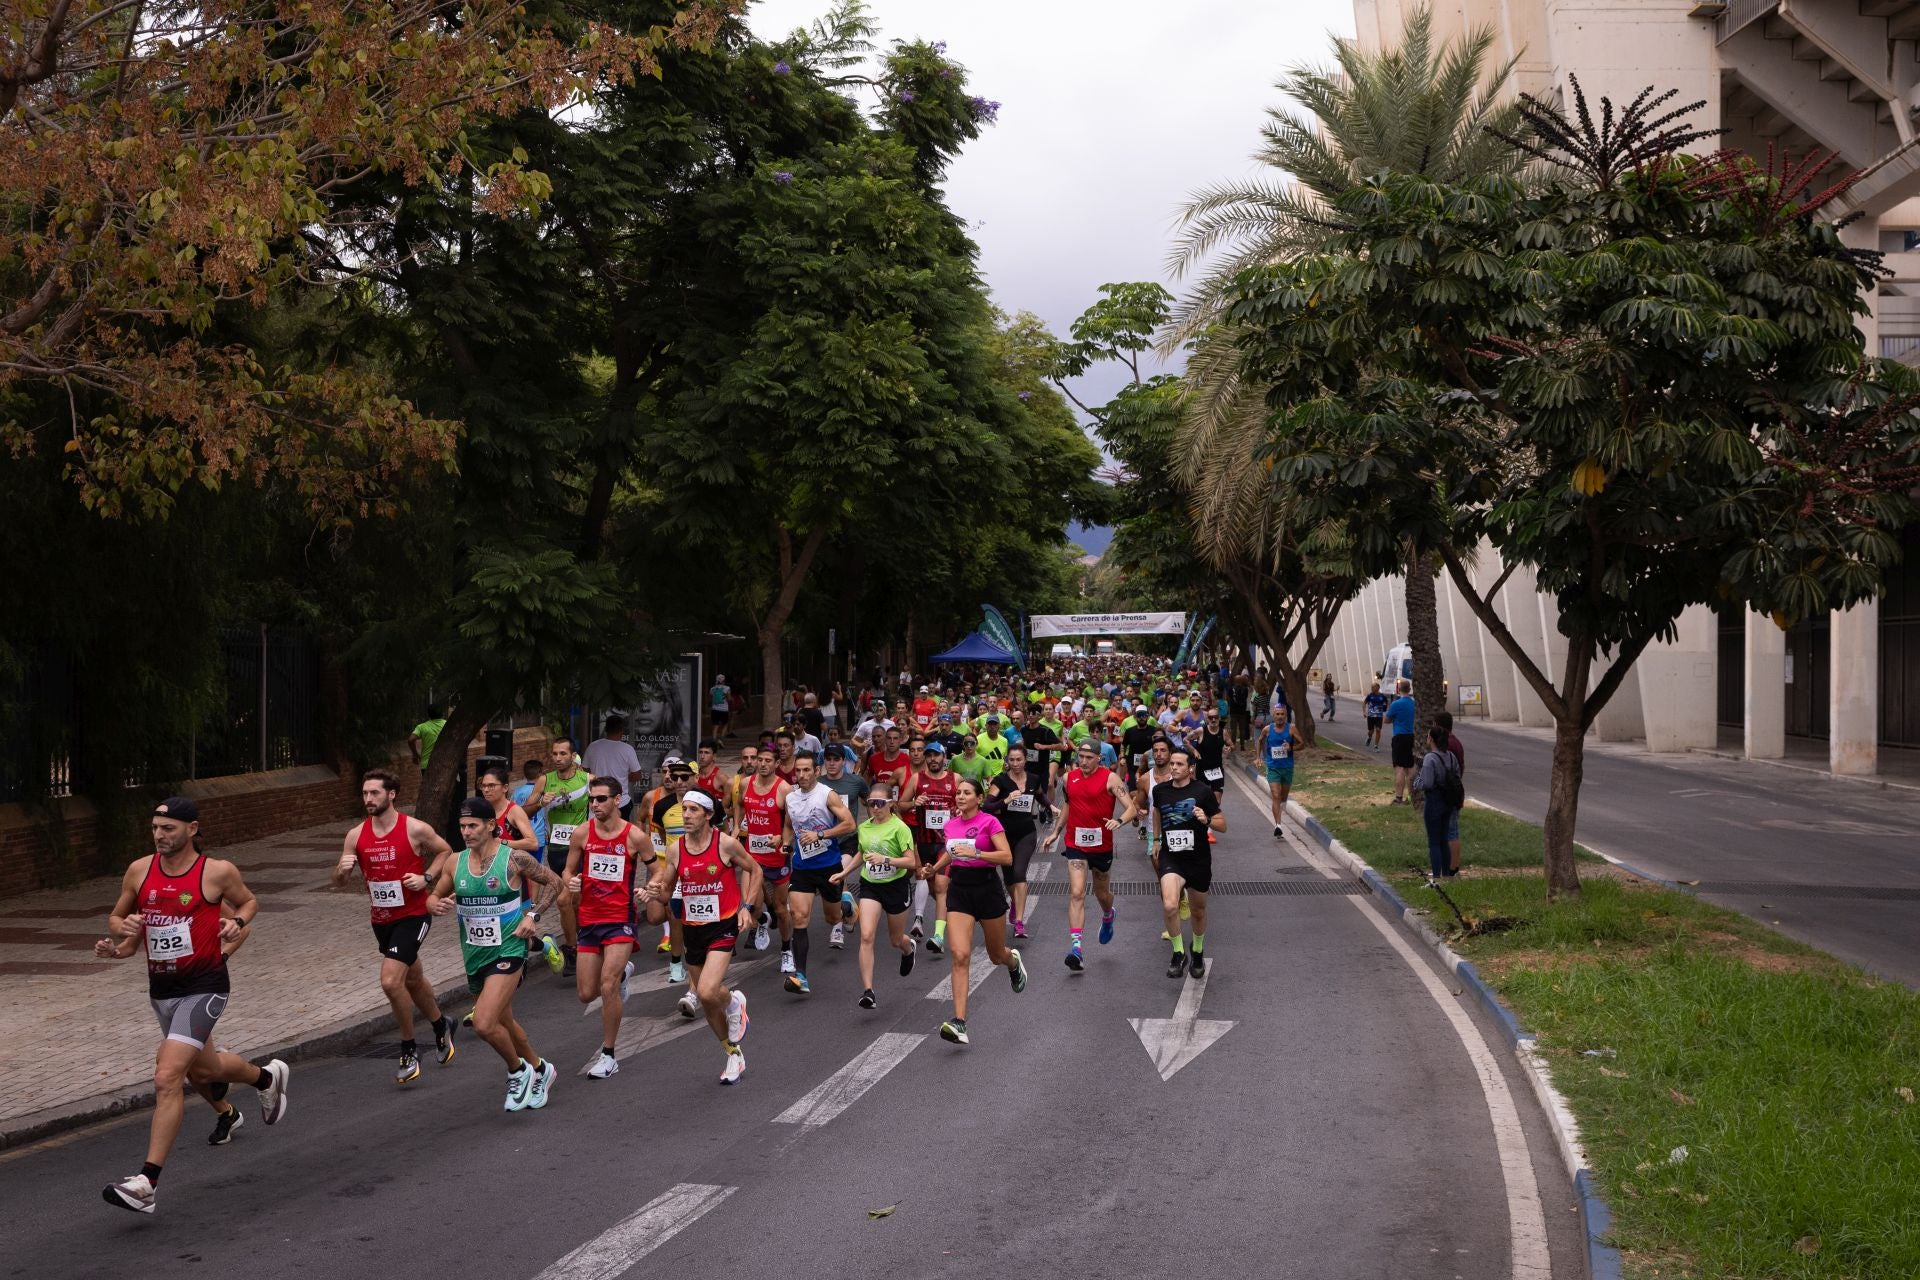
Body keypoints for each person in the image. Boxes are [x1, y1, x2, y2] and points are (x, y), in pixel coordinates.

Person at [98, 797, 290, 1214]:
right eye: (155, 828)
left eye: (168, 829)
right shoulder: (139, 870)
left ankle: (146, 1183)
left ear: (192, 829)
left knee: (168, 1076)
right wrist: (120, 934)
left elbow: (249, 902)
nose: (159, 836)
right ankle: (266, 1079)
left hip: (206, 986)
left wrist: (235, 922)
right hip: (162, 991)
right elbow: (119, 923)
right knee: (208, 1069)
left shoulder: (216, 871)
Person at [428, 797, 562, 1112]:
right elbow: (433, 897)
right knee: (506, 1022)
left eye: (473, 825)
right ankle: (542, 1069)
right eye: (462, 826)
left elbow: (554, 883)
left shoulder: (514, 859)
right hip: (475, 954)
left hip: (510, 948)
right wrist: (435, 904)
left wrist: (534, 917)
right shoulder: (454, 862)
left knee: (485, 1023)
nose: (467, 832)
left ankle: (519, 1071)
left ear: (491, 825)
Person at [332, 769, 456, 1086]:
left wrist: (426, 878)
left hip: (413, 915)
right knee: (412, 979)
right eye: (364, 793)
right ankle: (441, 1024)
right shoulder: (355, 835)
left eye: (374, 793)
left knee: (390, 982)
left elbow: (445, 851)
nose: (368, 799)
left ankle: (408, 1049)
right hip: (381, 920)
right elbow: (339, 880)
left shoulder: (414, 828)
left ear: (391, 794)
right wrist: (341, 871)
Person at [644, 788, 761, 1084]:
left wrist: (746, 907)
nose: (686, 815)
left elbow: (755, 869)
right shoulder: (675, 850)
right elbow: (668, 890)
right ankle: (733, 1053)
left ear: (709, 815)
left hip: (722, 924)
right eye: (684, 809)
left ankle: (733, 1002)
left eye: (694, 810)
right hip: (691, 926)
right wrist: (655, 893)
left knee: (707, 991)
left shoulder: (726, 844)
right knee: (709, 1003)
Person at [561, 777, 658, 1079]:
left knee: (607, 986)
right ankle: (626, 971)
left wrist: (648, 888)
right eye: (592, 799)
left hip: (620, 918)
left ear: (617, 800)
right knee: (586, 993)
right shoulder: (581, 833)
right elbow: (567, 870)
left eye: (601, 799)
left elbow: (657, 871)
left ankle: (609, 1055)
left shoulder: (635, 836)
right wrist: (570, 881)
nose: (595, 805)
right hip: (589, 919)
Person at [925, 778, 1029, 1046]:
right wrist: (934, 869)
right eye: (958, 792)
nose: (960, 796)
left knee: (996, 955)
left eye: (966, 793)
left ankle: (1013, 961)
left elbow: (1006, 857)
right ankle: (959, 1022)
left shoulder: (989, 822)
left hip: (987, 889)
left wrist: (977, 852)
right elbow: (951, 853)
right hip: (959, 889)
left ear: (978, 798)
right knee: (960, 955)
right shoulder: (950, 825)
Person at [1043, 739, 1137, 973]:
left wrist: (1119, 820)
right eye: (1080, 757)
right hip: (1075, 843)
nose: (1083, 762)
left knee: (1101, 893)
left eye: (1088, 758)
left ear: (1099, 759)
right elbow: (1068, 805)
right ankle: (1076, 949)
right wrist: (1056, 832)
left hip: (1102, 845)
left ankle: (1108, 914)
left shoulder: (1110, 779)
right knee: (1077, 892)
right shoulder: (1068, 778)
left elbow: (1131, 808)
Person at [780, 754, 857, 995]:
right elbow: (788, 824)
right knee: (799, 918)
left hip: (828, 866)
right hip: (802, 868)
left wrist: (821, 835)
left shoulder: (827, 794)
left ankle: (846, 906)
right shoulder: (791, 797)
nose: (801, 775)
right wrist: (785, 842)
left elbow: (850, 824)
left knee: (832, 918)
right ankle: (800, 976)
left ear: (816, 770)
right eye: (798, 771)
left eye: (806, 770)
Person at [843, 782, 918, 1008]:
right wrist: (844, 873)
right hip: (871, 885)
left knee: (896, 939)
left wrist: (886, 860)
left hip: (896, 886)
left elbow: (911, 861)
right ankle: (868, 991)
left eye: (879, 803)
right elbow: (862, 853)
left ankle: (908, 948)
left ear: (890, 804)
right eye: (871, 803)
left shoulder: (900, 828)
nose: (874, 808)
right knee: (866, 935)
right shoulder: (865, 827)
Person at [1154, 748, 1226, 977]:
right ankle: (1178, 953)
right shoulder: (1160, 791)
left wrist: (1206, 820)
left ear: (1190, 768)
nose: (1173, 767)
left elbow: (1222, 824)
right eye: (1172, 763)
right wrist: (1156, 839)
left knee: (1198, 910)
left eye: (1179, 764)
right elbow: (1157, 813)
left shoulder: (1202, 791)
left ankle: (1196, 950)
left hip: (1198, 859)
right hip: (1171, 856)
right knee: (1169, 905)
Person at [534, 737, 593, 972]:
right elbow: (524, 810)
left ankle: (572, 950)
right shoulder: (544, 780)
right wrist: (540, 801)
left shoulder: (588, 780)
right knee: (574, 903)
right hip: (556, 850)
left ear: (572, 755)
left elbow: (607, 806)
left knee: (563, 900)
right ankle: (581, 941)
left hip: (578, 851)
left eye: (563, 754)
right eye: (555, 754)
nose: (558, 758)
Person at [985, 745, 1049, 940]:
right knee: (1009, 877)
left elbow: (1039, 795)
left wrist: (1051, 807)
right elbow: (987, 807)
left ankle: (1019, 922)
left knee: (1019, 872)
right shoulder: (1000, 781)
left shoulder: (1034, 778)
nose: (1015, 764)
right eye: (1011, 760)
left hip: (1026, 833)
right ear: (1007, 761)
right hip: (1003, 834)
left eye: (1018, 760)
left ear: (1025, 760)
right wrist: (1006, 801)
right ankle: (1015, 902)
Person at [738, 748, 793, 965]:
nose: (762, 764)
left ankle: (787, 951)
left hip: (777, 857)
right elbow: (739, 806)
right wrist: (736, 829)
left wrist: (783, 839)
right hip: (753, 856)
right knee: (753, 907)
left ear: (776, 763)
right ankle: (762, 921)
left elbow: (791, 824)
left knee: (780, 909)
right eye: (759, 760)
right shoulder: (745, 783)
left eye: (767, 761)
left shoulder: (785, 790)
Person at [901, 740, 958, 952]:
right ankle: (950, 914)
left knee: (941, 887)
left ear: (944, 757)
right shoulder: (917, 779)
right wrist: (913, 804)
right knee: (935, 889)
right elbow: (900, 804)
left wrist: (960, 810)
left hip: (945, 843)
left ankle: (938, 936)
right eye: (929, 755)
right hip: (924, 842)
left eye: (936, 755)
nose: (933, 759)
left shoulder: (955, 779)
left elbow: (967, 801)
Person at [819, 748, 869, 922]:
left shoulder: (856, 781)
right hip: (824, 840)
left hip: (848, 839)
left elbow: (869, 802)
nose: (832, 763)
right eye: (828, 759)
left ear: (844, 761)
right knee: (834, 879)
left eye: (836, 759)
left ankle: (838, 927)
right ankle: (848, 908)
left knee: (837, 873)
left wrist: (873, 828)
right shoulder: (817, 783)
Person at [1412, 725, 1464, 880]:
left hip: (1434, 801)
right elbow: (1457, 775)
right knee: (1444, 839)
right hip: (1448, 801)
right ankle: (1446, 875)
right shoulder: (1450, 756)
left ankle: (1436, 877)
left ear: (1432, 739)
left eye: (1428, 736)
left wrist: (1417, 782)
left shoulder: (1430, 758)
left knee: (1434, 841)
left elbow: (1427, 783)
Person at [582, 715, 645, 820]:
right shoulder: (627, 749)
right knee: (620, 834)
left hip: (597, 800)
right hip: (621, 801)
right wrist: (623, 778)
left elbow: (584, 771)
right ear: (622, 731)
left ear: (606, 729)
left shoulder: (593, 746)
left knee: (597, 833)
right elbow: (637, 775)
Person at [1263, 706, 1304, 839]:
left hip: (1287, 767)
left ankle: (1280, 812)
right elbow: (1259, 741)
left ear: (1285, 716)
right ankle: (1278, 826)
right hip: (1273, 767)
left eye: (1282, 714)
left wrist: (1291, 748)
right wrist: (1258, 757)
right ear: (1273, 716)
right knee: (1276, 795)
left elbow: (1302, 744)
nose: (1280, 716)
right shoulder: (1267, 729)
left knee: (1283, 797)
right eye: (1277, 714)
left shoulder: (1291, 728)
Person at [1435, 711, 1467, 874]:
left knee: (1451, 832)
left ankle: (1452, 869)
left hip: (1448, 794)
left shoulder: (1446, 744)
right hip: (1454, 792)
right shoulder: (1456, 742)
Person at [1387, 679, 1418, 803]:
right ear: (1409, 689)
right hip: (1411, 736)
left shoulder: (1396, 704)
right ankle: (1412, 796)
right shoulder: (1414, 703)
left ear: (1399, 689)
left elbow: (1386, 720)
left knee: (1399, 768)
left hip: (1399, 737)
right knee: (1410, 768)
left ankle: (1398, 797)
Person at [1363, 681, 1389, 751]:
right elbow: (1364, 703)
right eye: (1371, 687)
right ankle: (1369, 737)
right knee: (1371, 731)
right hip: (1370, 716)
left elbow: (1387, 703)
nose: (1372, 688)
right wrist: (1364, 712)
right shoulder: (1370, 695)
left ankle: (1376, 746)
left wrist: (1386, 710)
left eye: (1373, 687)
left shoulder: (1382, 696)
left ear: (1378, 687)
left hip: (1379, 716)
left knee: (1378, 730)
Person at [1227, 675, 1252, 749]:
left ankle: (1233, 744)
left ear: (1235, 681)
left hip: (1233, 711)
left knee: (1233, 729)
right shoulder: (1245, 689)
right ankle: (1242, 746)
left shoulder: (1231, 689)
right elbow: (1245, 698)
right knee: (1242, 729)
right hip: (1242, 711)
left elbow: (1229, 698)